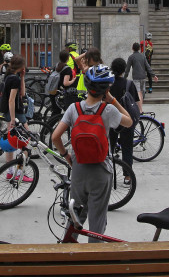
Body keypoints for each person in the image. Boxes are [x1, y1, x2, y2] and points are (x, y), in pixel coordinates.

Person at [51, 65, 132, 241]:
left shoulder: (74, 108)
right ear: (106, 89)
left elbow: (55, 137)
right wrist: (112, 100)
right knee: (97, 223)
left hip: (79, 168)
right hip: (101, 170)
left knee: (76, 217)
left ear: (87, 86)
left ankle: (67, 256)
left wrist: (67, 156)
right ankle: (93, 259)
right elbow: (129, 121)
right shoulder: (108, 110)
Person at [1, 55, 32, 178]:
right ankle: (20, 172)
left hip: (11, 113)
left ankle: (10, 172)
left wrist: (23, 77)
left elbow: (22, 94)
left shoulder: (10, 76)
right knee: (25, 141)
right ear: (21, 66)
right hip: (16, 113)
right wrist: (13, 118)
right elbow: (11, 100)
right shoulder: (14, 79)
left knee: (11, 142)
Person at [109, 57, 140, 182]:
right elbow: (135, 101)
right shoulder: (128, 83)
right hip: (125, 119)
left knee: (109, 148)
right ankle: (127, 176)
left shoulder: (108, 83)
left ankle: (108, 173)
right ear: (124, 69)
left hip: (110, 119)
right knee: (127, 148)